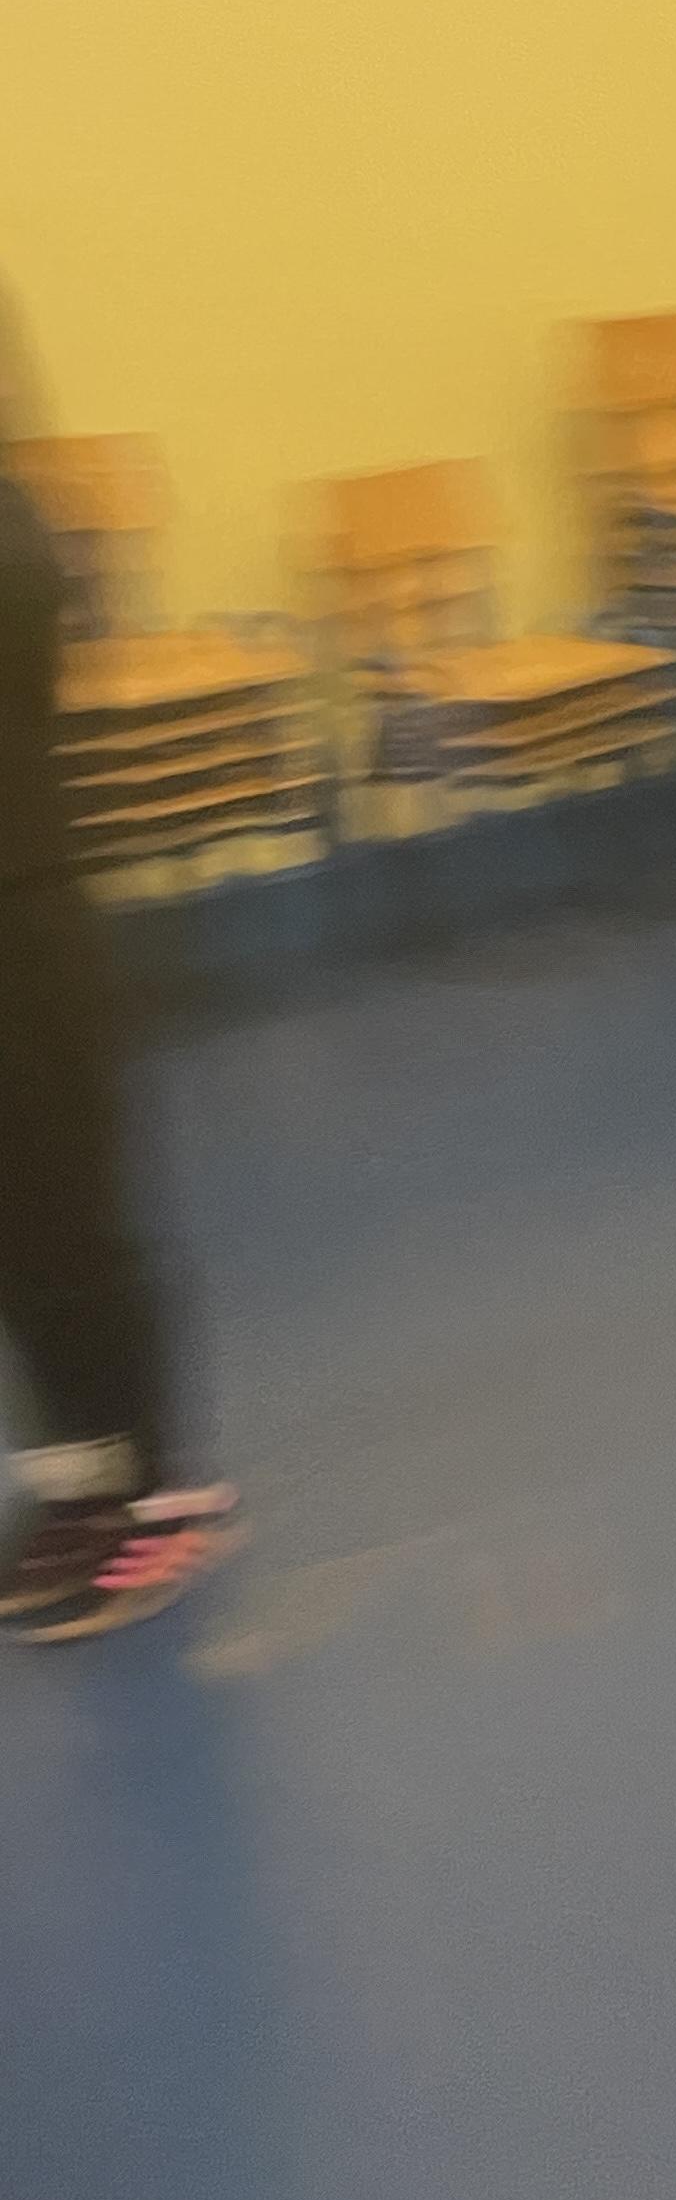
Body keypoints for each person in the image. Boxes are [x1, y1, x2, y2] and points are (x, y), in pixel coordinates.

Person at [0, 374, 244, 1643]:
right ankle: (77, 1483)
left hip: (20, 916)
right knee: (15, 1231)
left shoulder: (11, 530)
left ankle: (160, 1495)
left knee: (68, 1220)